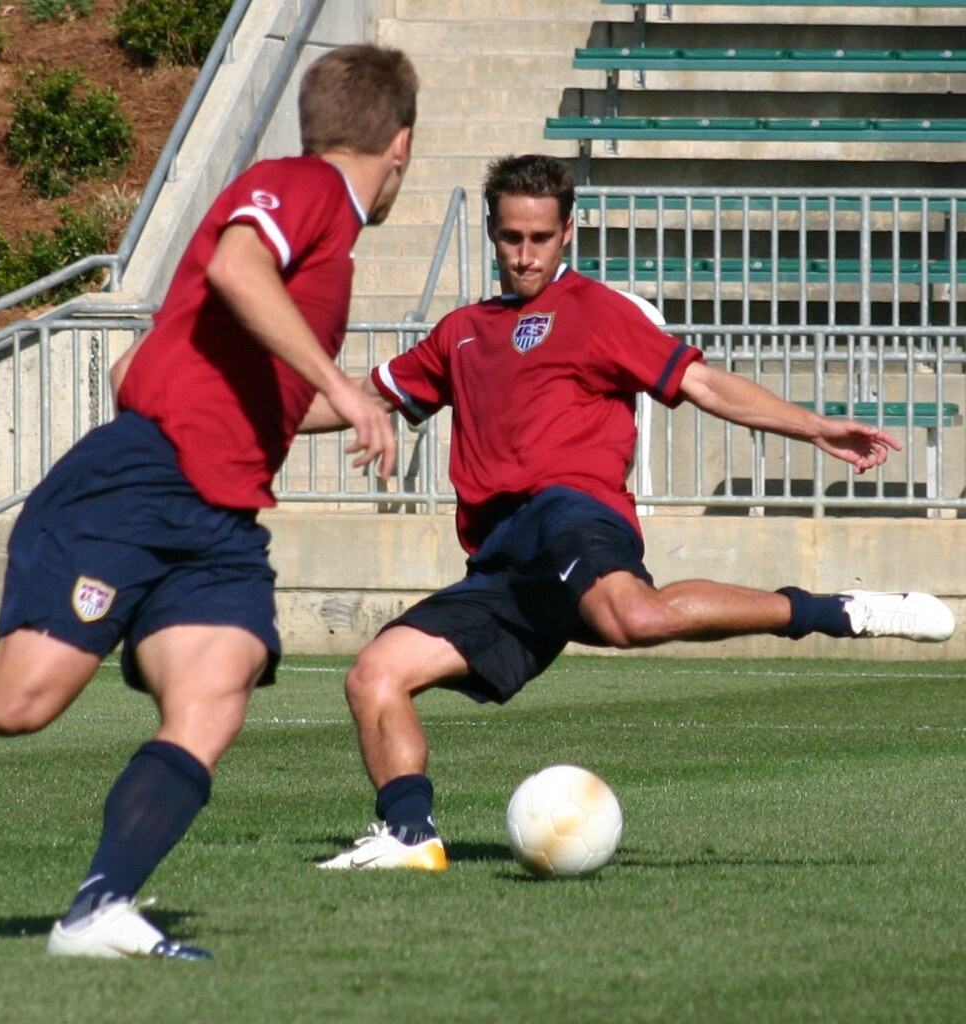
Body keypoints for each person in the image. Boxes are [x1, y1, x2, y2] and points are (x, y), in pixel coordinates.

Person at [313, 153, 957, 871]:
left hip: (571, 512)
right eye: (511, 238)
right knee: (374, 674)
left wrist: (816, 425)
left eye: (540, 238)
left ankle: (835, 611)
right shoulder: (461, 331)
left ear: (568, 236)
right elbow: (354, 400)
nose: (525, 255)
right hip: (500, 559)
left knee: (635, 620)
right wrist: (239, 424)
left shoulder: (594, 311)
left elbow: (704, 385)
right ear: (491, 233)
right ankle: (409, 835)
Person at [0, 43, 418, 955]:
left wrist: (370, 398)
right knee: (16, 703)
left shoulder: (330, 245)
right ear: (399, 144)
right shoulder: (309, 186)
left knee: (217, 686)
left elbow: (141, 365)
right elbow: (241, 270)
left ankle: (98, 909)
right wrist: (346, 390)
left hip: (218, 519)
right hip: (144, 486)